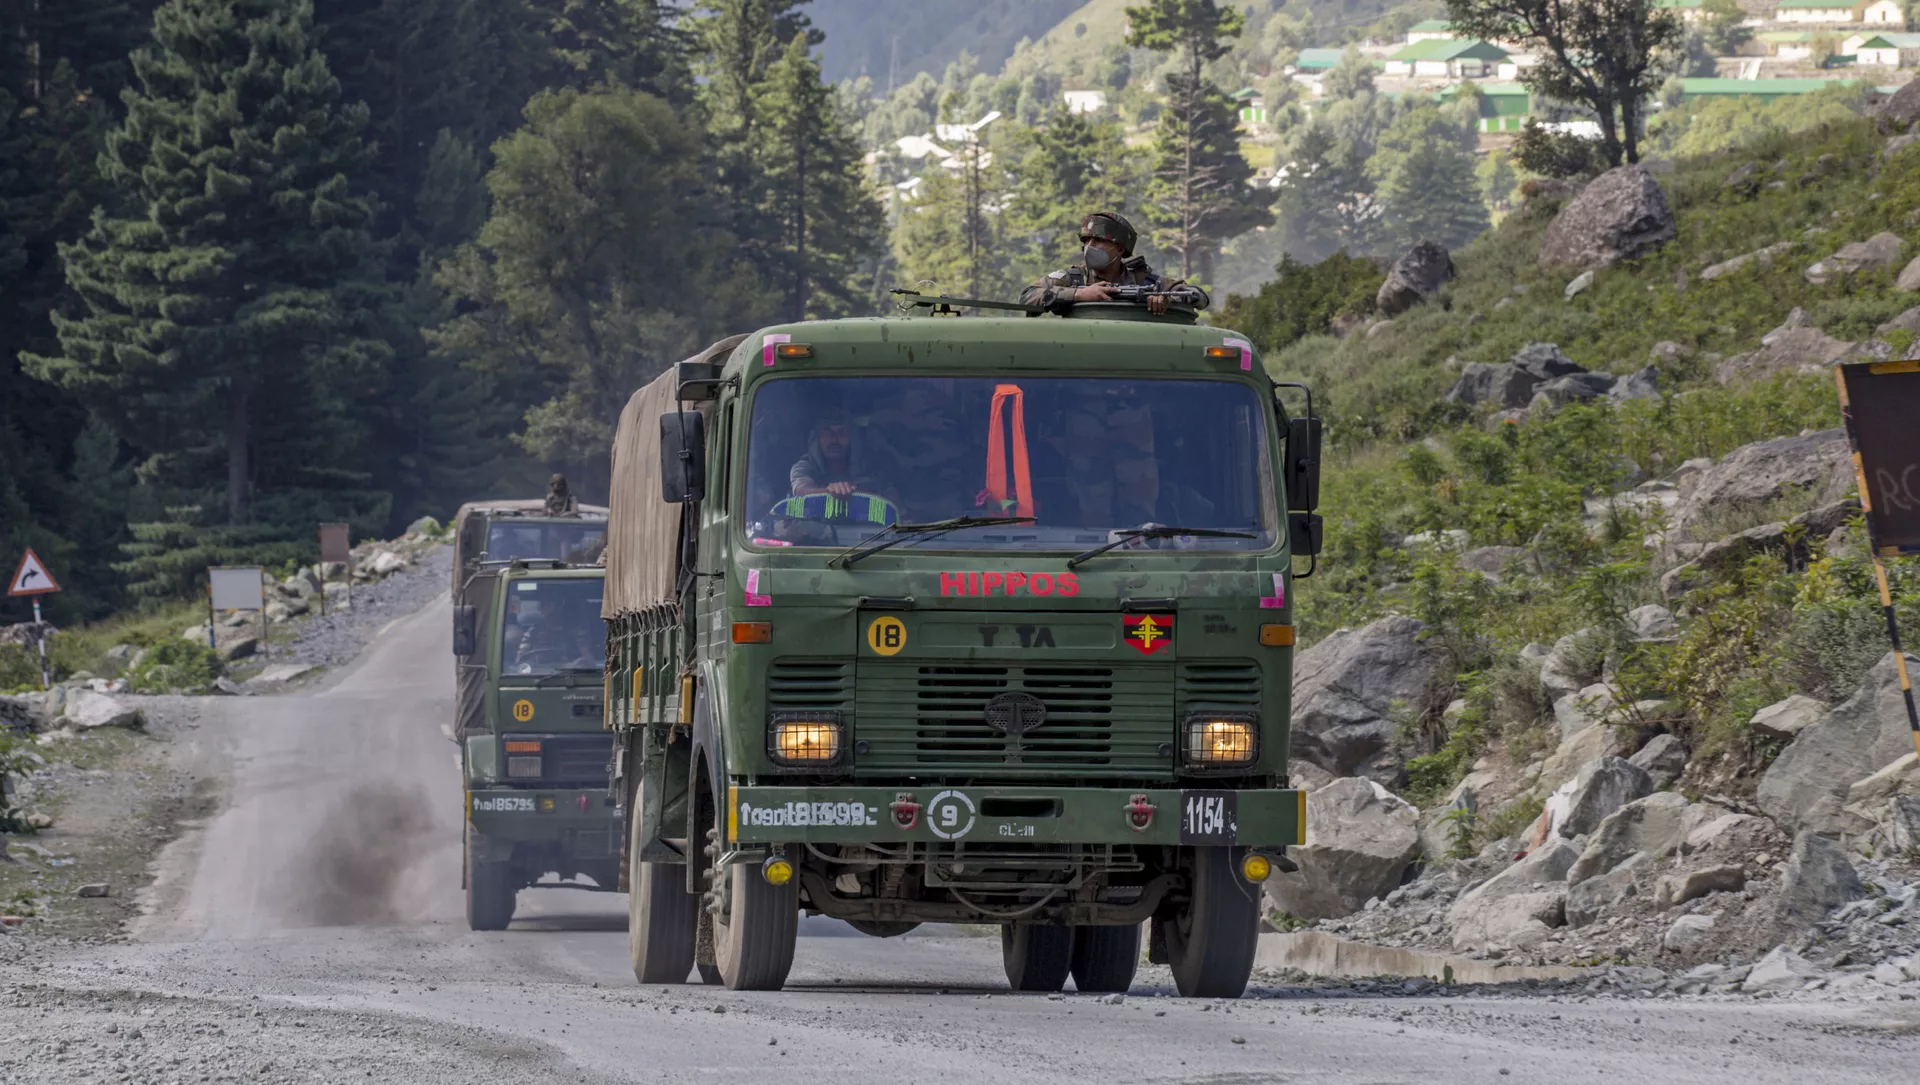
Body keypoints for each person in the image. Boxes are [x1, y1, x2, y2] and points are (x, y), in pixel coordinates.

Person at [1021, 212, 1210, 317]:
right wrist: (1079, 294)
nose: (1089, 246)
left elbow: (1199, 297)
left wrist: (1167, 299)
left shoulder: (1144, 281)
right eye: (1086, 241)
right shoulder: (1073, 279)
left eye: (1098, 240)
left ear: (1119, 248)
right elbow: (1027, 296)